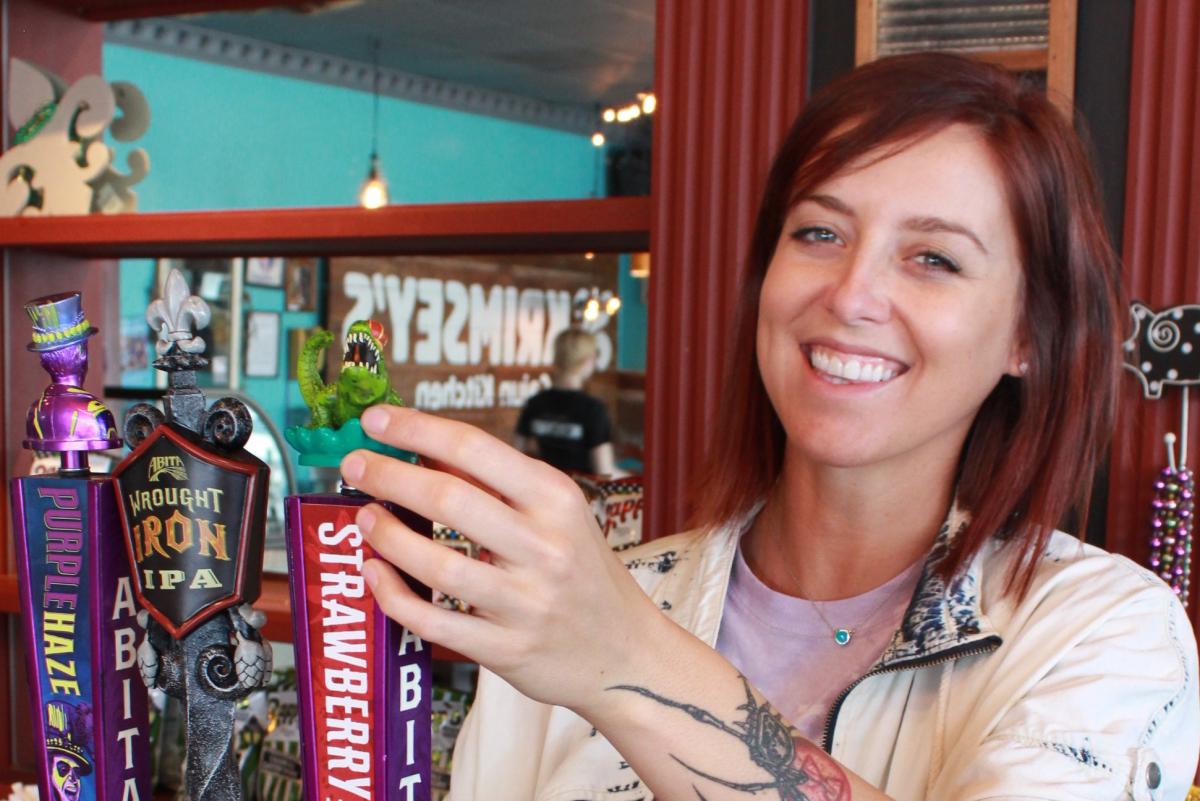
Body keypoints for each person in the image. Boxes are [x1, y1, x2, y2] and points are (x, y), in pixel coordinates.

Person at [338, 51, 1200, 801]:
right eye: (819, 232)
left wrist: (628, 659)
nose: (851, 294)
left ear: (1027, 333)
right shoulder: (580, 600)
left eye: (933, 257)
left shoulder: (1099, 632)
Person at [514, 327, 617, 476]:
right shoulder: (593, 409)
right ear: (587, 360)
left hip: (543, 486)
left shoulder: (535, 403)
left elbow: (516, 452)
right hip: (582, 493)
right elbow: (604, 471)